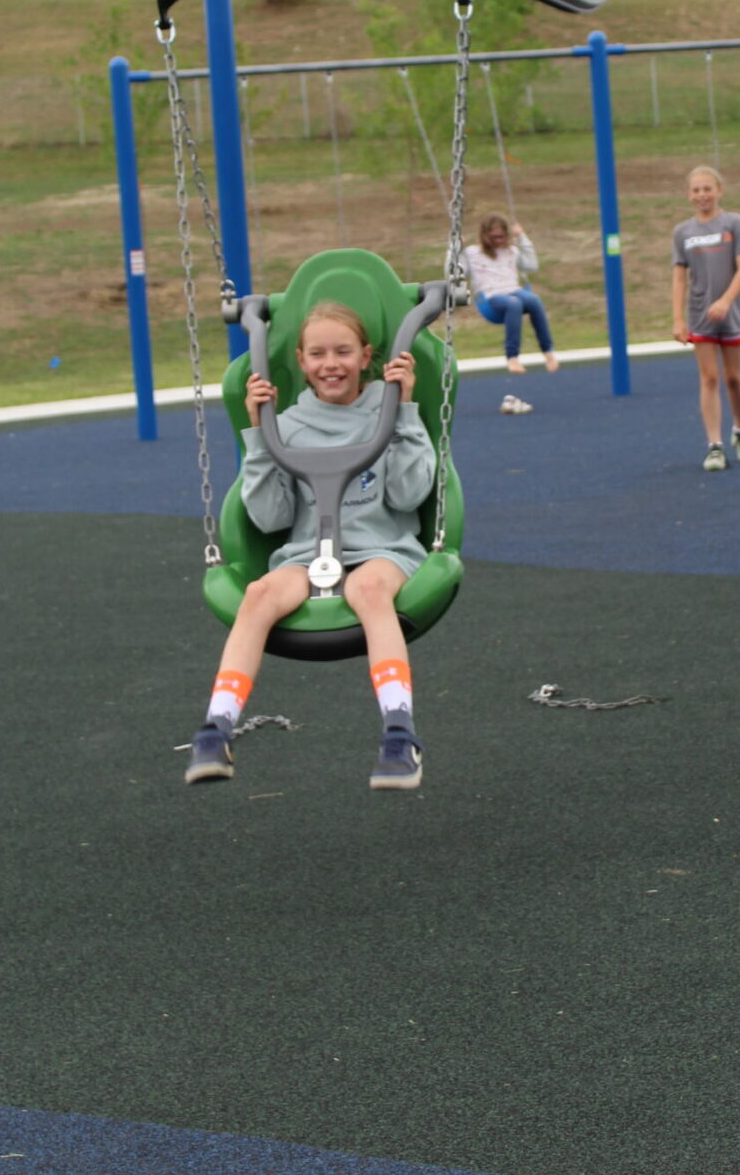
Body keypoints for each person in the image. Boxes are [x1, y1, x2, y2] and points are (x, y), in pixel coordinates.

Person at [185, 302, 436, 793]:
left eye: (343, 351)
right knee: (258, 595)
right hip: (308, 554)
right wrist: (259, 435)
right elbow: (272, 518)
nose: (331, 364)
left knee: (366, 589)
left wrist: (405, 410)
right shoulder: (289, 426)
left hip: (382, 547)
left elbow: (409, 495)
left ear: (366, 356)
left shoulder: (389, 413)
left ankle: (400, 733)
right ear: (300, 361)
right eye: (318, 354)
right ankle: (216, 728)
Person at [671, 165, 740, 471]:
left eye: (707, 188)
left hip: (730, 312)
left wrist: (725, 300)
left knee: (733, 378)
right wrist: (678, 319)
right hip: (700, 314)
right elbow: (679, 277)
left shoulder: (734, 223)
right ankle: (714, 445)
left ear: (719, 191)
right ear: (689, 195)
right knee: (709, 378)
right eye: (696, 190)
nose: (702, 195)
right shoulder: (683, 232)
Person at [464, 213, 558, 373]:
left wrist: (522, 237)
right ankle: (512, 358)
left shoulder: (512, 251)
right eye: (494, 237)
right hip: (490, 298)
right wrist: (454, 248)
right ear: (485, 236)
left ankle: (548, 352)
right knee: (514, 304)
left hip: (514, 290)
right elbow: (455, 273)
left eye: (502, 237)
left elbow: (531, 265)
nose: (499, 241)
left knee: (533, 300)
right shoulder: (472, 253)